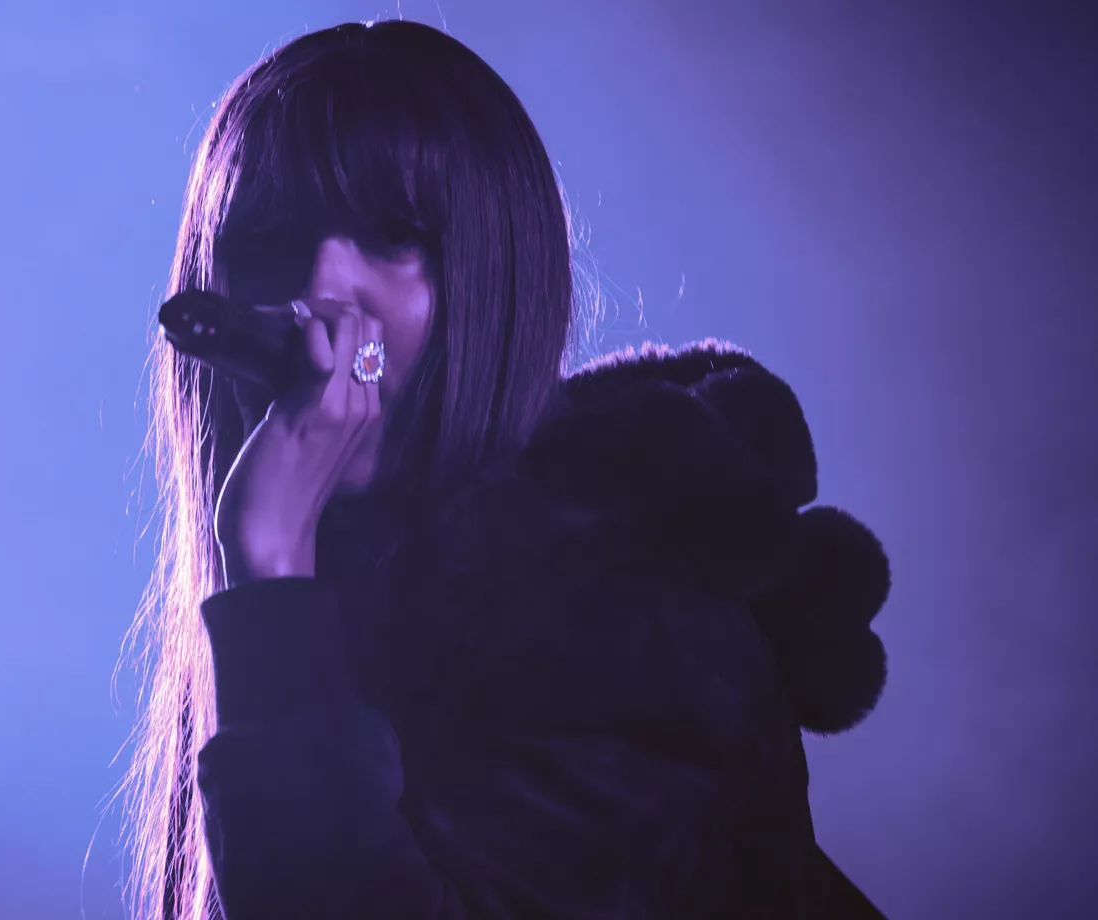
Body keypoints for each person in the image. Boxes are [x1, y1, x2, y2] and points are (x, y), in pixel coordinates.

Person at [120, 19, 892, 920]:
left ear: (495, 277)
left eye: (394, 235)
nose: (321, 290)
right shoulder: (338, 606)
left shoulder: (642, 632)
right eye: (266, 240)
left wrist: (273, 578)